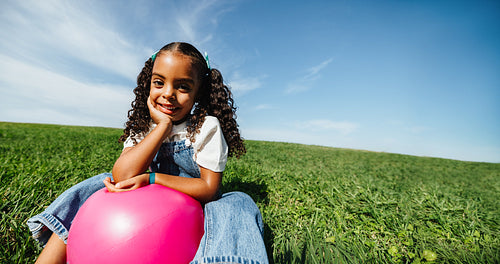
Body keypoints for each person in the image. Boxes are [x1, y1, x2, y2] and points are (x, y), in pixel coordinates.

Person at [27, 42, 268, 264]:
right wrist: (162, 127)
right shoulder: (145, 127)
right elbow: (122, 175)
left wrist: (152, 178)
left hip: (193, 209)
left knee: (238, 202)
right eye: (159, 82)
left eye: (183, 86)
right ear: (148, 84)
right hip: (142, 204)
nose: (168, 94)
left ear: (199, 92)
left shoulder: (207, 127)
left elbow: (209, 189)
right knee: (98, 185)